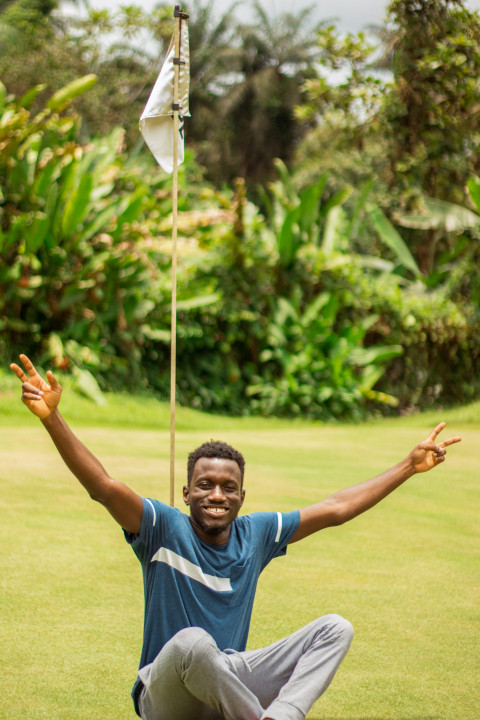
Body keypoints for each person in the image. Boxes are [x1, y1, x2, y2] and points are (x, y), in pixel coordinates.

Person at [10, 353, 462, 720]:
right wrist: (53, 419)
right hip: (166, 695)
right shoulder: (162, 527)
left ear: (243, 497)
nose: (216, 495)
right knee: (192, 642)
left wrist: (408, 466)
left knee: (334, 629)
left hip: (225, 683)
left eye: (229, 488)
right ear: (186, 492)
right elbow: (104, 487)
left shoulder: (257, 534)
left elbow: (336, 509)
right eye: (205, 485)